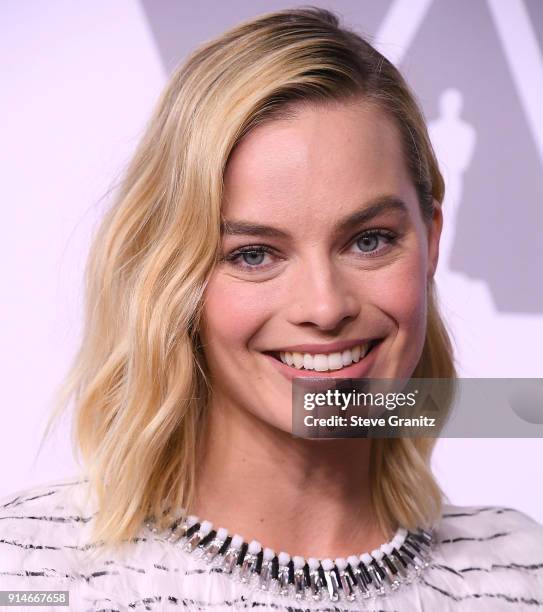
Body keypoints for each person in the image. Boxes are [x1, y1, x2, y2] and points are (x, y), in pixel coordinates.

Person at [1, 7, 542, 611]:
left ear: (431, 239)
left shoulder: (519, 572)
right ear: (172, 273)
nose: (325, 306)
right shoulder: (30, 573)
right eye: (255, 254)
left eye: (369, 241)